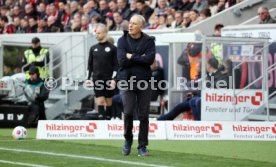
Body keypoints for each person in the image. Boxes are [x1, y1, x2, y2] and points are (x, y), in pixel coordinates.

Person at [117, 15, 155, 156]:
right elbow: (121, 61)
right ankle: (128, 140)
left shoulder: (149, 41)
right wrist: (140, 57)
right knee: (128, 112)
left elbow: (149, 60)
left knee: (144, 115)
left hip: (144, 81)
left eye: (134, 24)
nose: (130, 26)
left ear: (141, 26)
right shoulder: (122, 40)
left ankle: (142, 146)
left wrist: (131, 56)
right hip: (127, 80)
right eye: (130, 23)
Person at [85, 24, 118, 120]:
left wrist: (114, 79)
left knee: (108, 101)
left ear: (105, 33)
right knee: (100, 100)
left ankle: (109, 118)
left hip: (108, 79)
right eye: (96, 33)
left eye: (98, 33)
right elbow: (89, 65)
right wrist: (87, 79)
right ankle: (101, 119)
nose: (96, 35)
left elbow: (116, 66)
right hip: (97, 79)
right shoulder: (93, 48)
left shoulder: (112, 48)